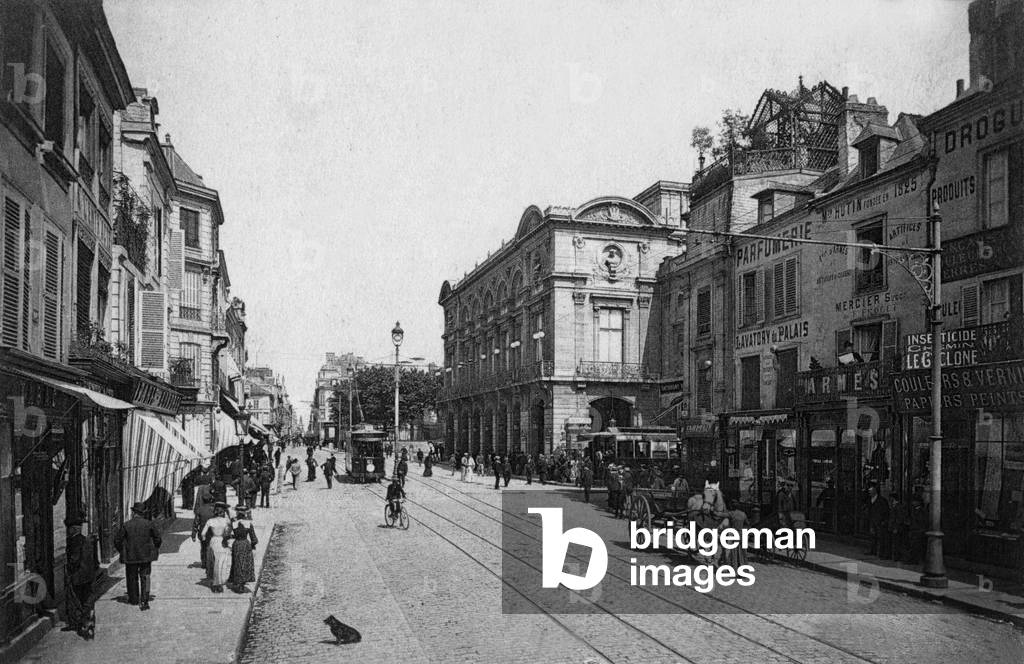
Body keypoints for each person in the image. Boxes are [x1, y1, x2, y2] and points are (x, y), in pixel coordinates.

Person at [113, 502, 162, 610]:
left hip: (130, 556)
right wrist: (154, 548)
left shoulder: (126, 525)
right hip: (145, 556)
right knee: (146, 577)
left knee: (131, 578)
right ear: (143, 513)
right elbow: (158, 539)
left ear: (133, 512)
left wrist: (122, 550)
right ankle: (144, 600)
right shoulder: (149, 524)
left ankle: (134, 599)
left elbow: (117, 540)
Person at [64, 513, 97, 639]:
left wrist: (69, 571)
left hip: (78, 576)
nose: (68, 530)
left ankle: (83, 622)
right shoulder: (85, 540)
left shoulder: (74, 542)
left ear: (73, 529)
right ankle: (88, 617)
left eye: (69, 528)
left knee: (77, 599)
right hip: (88, 575)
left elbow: (74, 559)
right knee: (87, 598)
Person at [201, 503, 233, 593]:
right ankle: (219, 583)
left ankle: (215, 582)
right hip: (222, 542)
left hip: (213, 541)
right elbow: (229, 532)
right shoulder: (226, 521)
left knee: (213, 563)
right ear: (222, 512)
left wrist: (204, 539)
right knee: (221, 564)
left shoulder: (210, 521)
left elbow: (203, 534)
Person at [228, 507, 258, 592]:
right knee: (245, 563)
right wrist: (252, 545)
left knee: (237, 563)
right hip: (245, 544)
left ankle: (237, 581)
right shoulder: (248, 524)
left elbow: (228, 534)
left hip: (237, 544)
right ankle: (243, 582)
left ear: (237, 513)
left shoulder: (234, 523)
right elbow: (254, 539)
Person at [192, 484, 217, 571]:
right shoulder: (214, 509)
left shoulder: (200, 509)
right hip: (212, 531)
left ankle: (204, 562)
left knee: (203, 547)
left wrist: (193, 534)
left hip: (202, 532)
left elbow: (196, 523)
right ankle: (211, 561)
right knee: (212, 547)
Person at [866, 482, 890, 557]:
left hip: (880, 521)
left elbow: (886, 511)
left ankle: (881, 553)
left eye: (871, 491)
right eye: (869, 491)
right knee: (872, 536)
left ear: (875, 491)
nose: (869, 492)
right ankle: (873, 550)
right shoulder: (869, 500)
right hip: (872, 520)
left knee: (881, 537)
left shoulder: (882, 500)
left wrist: (884, 520)